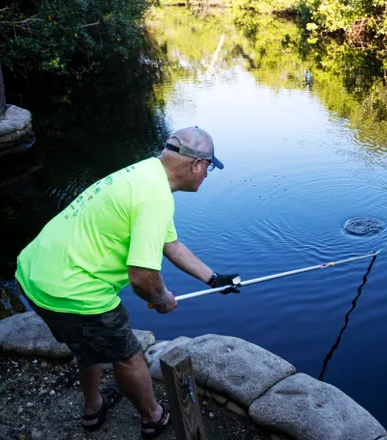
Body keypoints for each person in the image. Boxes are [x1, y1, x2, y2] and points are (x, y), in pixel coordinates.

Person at [14, 126, 239, 439]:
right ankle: (153, 417)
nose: (207, 175)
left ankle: (93, 410)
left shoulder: (146, 173)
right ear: (196, 165)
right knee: (128, 356)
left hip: (35, 272)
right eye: (209, 168)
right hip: (73, 290)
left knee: (86, 343)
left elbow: (169, 244)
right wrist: (162, 299)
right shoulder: (156, 199)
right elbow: (143, 278)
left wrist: (212, 278)